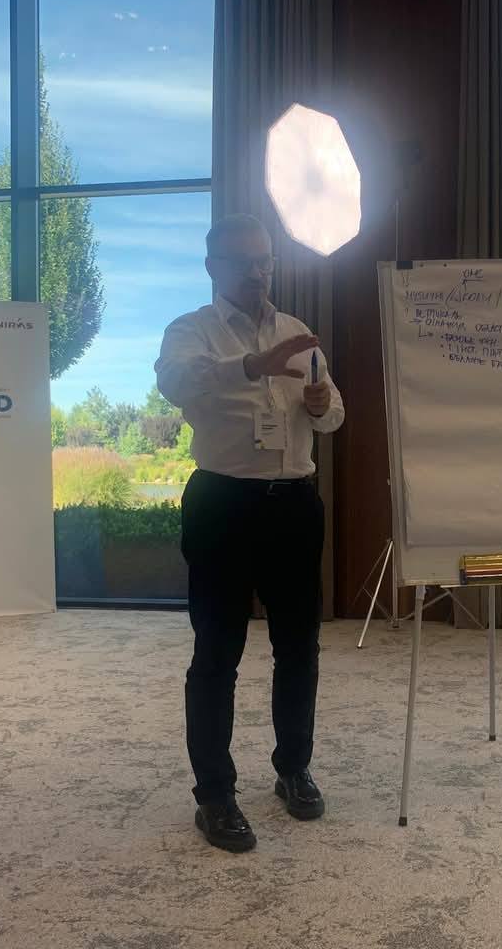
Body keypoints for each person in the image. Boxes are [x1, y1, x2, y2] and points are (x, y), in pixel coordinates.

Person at [154, 213, 345, 853]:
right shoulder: (191, 330)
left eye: (265, 260)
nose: (257, 271)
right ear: (214, 267)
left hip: (295, 504)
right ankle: (214, 795)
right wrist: (251, 365)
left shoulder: (297, 332)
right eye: (242, 261)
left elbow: (334, 412)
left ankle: (293, 769)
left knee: (300, 647)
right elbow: (175, 382)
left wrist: (321, 405)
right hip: (223, 503)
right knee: (217, 652)